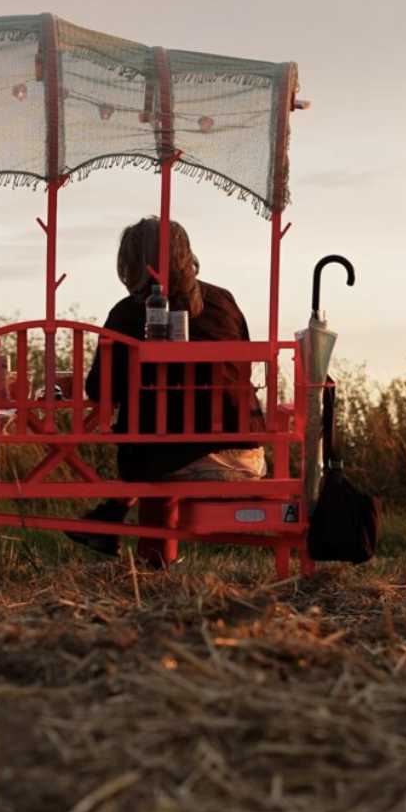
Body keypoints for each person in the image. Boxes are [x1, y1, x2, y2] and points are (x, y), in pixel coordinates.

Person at [76, 217, 265, 567]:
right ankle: (118, 524)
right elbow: (242, 369)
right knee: (162, 426)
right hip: (246, 452)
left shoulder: (129, 312)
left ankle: (151, 560)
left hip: (168, 462)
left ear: (132, 263)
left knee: (154, 433)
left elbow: (101, 389)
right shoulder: (225, 301)